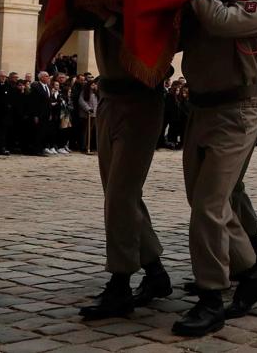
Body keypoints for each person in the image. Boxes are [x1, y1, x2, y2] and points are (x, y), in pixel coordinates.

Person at [172, 0, 257, 337]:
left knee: (209, 206)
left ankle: (211, 295)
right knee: (206, 203)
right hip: (200, 109)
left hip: (237, 111)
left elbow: (224, 23)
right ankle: (252, 276)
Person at [77, 18, 172, 320]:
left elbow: (159, 35)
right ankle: (155, 273)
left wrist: (113, 17)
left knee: (120, 195)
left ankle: (120, 282)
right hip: (109, 97)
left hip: (139, 97)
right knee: (121, 195)